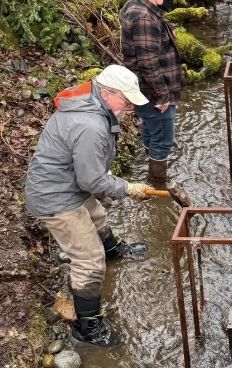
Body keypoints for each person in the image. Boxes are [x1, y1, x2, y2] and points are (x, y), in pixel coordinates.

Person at [25, 65, 152, 347]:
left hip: (68, 181)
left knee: (96, 214)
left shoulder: (93, 105)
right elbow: (93, 180)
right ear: (107, 93)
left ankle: (113, 250)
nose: (130, 106)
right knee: (88, 260)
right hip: (56, 196)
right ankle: (89, 327)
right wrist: (128, 188)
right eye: (126, 100)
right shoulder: (90, 125)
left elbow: (89, 175)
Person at [119, 0, 186, 186]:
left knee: (151, 126)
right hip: (153, 91)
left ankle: (151, 158)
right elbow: (148, 62)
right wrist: (163, 95)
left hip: (144, 90)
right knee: (163, 138)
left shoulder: (138, 6)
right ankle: (157, 182)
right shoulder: (144, 18)